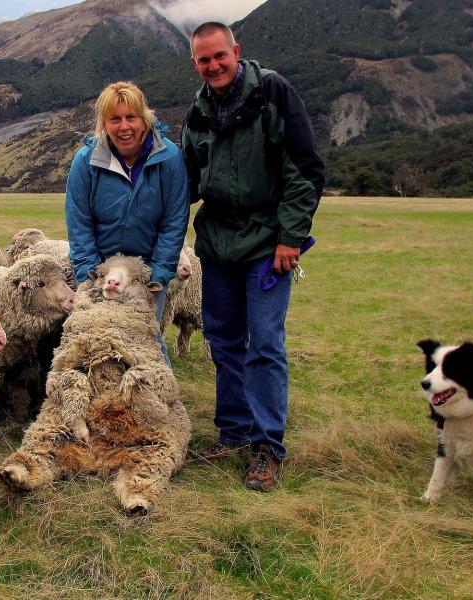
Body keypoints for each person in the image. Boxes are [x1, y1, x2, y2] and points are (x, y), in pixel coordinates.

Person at [182, 22, 325, 492]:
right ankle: (234, 433)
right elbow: (184, 181)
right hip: (218, 245)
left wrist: (291, 236)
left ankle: (267, 447)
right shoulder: (199, 113)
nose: (214, 66)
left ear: (236, 52)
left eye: (220, 56)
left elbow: (305, 168)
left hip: (268, 245)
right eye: (204, 60)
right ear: (195, 64)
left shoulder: (273, 93)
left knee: (264, 344)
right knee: (223, 342)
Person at [65, 81, 190, 363]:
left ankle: (162, 403)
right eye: (115, 119)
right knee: (96, 343)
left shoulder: (169, 158)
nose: (124, 127)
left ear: (145, 119)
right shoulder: (87, 161)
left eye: (131, 117)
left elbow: (174, 221)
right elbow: (79, 221)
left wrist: (157, 275)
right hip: (99, 272)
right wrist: (88, 274)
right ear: (104, 124)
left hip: (146, 274)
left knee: (146, 343)